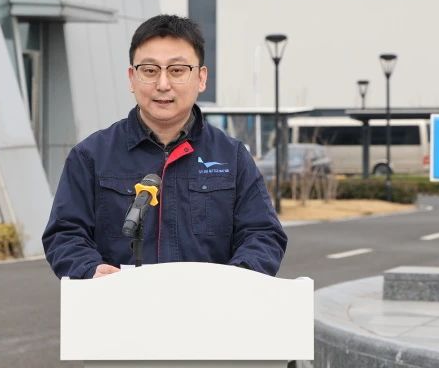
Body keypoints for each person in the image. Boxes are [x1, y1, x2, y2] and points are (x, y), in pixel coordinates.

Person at [42, 15, 287, 279]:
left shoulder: (231, 157)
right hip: (118, 302)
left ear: (201, 78)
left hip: (210, 303)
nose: (162, 84)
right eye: (150, 70)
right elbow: (65, 234)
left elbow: (263, 234)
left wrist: (237, 277)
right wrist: (90, 269)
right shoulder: (91, 156)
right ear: (132, 78)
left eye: (177, 70)